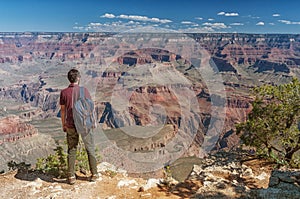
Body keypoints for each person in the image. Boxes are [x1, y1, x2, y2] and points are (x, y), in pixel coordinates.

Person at [60, 68, 99, 184]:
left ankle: (71, 176)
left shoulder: (64, 92)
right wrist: (93, 122)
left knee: (72, 149)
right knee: (90, 148)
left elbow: (63, 111)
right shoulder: (84, 90)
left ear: (69, 79)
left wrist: (64, 125)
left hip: (71, 124)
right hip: (84, 124)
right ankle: (94, 174)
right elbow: (90, 107)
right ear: (78, 78)